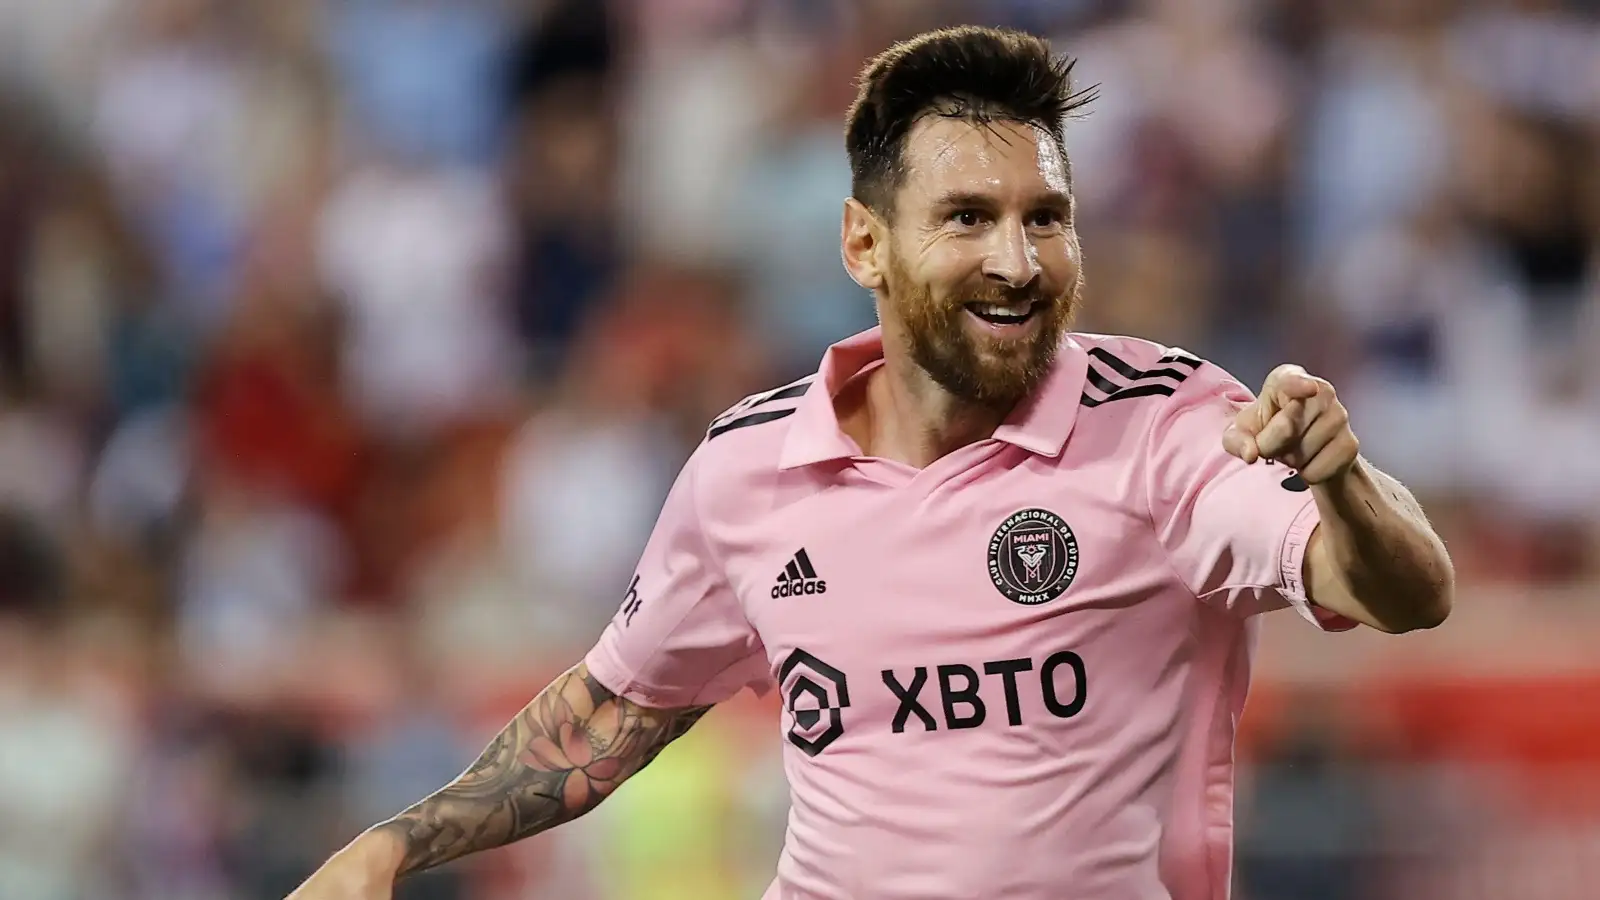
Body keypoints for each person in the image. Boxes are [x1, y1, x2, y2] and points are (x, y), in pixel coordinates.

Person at [287, 25, 1454, 900]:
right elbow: (612, 713)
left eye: (1045, 217)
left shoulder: (1164, 424)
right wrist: (398, 840)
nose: (1018, 257)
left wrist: (1343, 478)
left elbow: (1402, 590)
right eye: (966, 218)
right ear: (864, 242)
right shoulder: (750, 468)